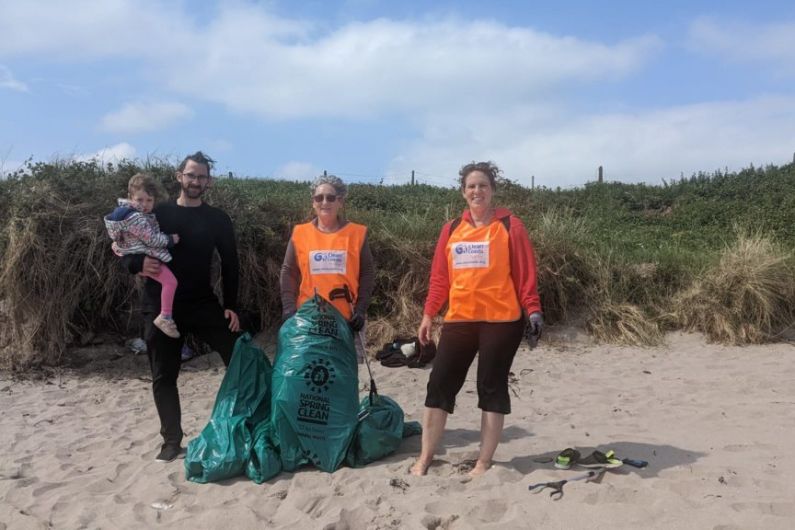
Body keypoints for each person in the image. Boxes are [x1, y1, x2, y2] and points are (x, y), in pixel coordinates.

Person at [410, 161, 543, 477]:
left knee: (491, 387)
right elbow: (440, 278)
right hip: (460, 319)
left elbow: (525, 274)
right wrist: (429, 314)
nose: (477, 191)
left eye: (483, 185)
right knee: (439, 383)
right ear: (463, 192)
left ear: (492, 190)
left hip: (501, 320)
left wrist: (533, 310)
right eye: (471, 186)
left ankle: (483, 462)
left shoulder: (511, 225)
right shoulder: (452, 229)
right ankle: (425, 457)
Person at [121, 151, 241, 463]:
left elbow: (231, 264)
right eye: (191, 175)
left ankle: (244, 424)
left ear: (209, 181)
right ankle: (171, 441)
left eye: (201, 177)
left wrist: (232, 306)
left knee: (239, 358)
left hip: (202, 302)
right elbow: (125, 245)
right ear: (179, 176)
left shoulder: (217, 219)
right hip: (161, 307)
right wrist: (137, 263)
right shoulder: (155, 212)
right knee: (163, 374)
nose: (196, 181)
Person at [279, 174, 374, 349]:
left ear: (340, 201)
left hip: (347, 318)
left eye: (330, 198)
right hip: (308, 318)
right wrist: (289, 308)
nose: (325, 202)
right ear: (313, 202)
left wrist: (361, 310)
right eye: (319, 197)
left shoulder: (357, 233)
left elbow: (367, 273)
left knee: (343, 373)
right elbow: (288, 272)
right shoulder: (300, 233)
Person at [105, 173, 181, 339]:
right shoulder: (136, 217)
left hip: (139, 255)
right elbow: (152, 239)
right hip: (146, 257)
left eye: (149, 200)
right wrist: (170, 239)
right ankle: (165, 317)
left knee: (168, 282)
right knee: (170, 282)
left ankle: (165, 316)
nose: (145, 205)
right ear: (130, 198)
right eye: (140, 200)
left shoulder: (126, 215)